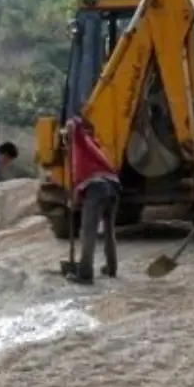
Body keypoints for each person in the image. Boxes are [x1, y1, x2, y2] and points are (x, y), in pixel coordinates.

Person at [61, 117, 120, 285]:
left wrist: (71, 124)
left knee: (88, 232)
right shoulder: (93, 146)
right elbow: (79, 182)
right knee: (109, 230)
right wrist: (74, 199)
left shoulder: (80, 143)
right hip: (113, 186)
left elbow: (77, 125)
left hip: (98, 188)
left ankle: (85, 275)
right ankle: (111, 267)